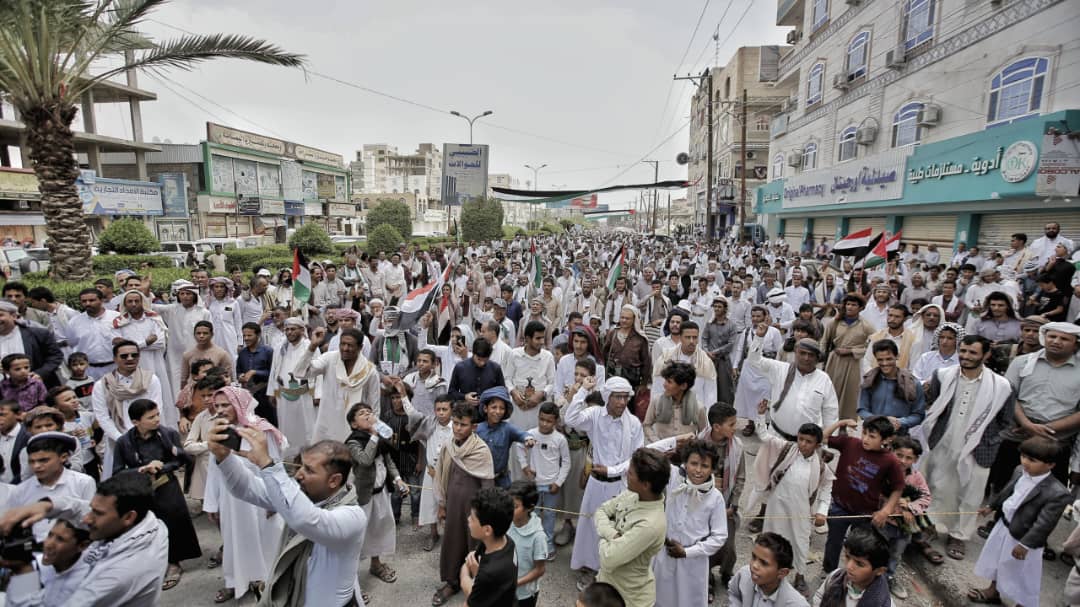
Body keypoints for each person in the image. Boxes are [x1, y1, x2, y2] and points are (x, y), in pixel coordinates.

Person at [208, 422, 368, 606]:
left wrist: (267, 464)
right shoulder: (298, 496)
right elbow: (246, 488)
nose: (299, 474)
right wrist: (224, 458)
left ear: (334, 480)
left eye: (309, 470)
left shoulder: (353, 516)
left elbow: (305, 520)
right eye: (301, 466)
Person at [0, 470, 170, 606]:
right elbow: (82, 508)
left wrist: (23, 572)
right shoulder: (148, 522)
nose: (86, 519)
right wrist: (47, 505)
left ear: (128, 517)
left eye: (97, 514)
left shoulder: (119, 575)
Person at [920, 334, 1013, 562]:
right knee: (937, 485)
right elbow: (931, 402)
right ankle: (931, 524)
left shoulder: (1001, 386)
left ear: (986, 354)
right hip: (944, 440)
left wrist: (991, 441)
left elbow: (1006, 421)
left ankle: (958, 535)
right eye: (963, 351)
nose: (966, 356)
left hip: (978, 448)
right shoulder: (943, 375)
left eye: (972, 352)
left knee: (970, 492)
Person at [202, 385, 285, 603]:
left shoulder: (260, 430)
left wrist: (273, 500)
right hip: (231, 501)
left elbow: (273, 466)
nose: (219, 410)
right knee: (234, 541)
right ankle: (235, 582)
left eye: (225, 405)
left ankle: (266, 583)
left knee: (264, 541)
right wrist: (212, 503)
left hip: (259, 497)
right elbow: (214, 469)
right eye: (216, 405)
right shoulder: (219, 430)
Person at [969, 437, 1071, 607]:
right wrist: (992, 507)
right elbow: (1007, 492)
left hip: (1024, 538)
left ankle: (1023, 603)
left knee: (1024, 574)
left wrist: (1025, 545)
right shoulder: (1019, 471)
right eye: (1023, 456)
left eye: (1032, 460)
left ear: (1050, 465)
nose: (1025, 462)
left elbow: (1044, 524)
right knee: (997, 560)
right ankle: (993, 590)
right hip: (1005, 525)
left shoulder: (1057, 493)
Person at [564, 376, 644, 592]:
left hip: (621, 484)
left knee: (617, 529)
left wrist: (612, 470)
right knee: (592, 527)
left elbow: (636, 457)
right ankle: (591, 569)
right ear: (607, 397)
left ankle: (611, 572)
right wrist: (582, 391)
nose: (622, 402)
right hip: (596, 485)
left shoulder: (634, 423)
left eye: (625, 397)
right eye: (617, 397)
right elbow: (570, 419)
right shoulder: (595, 415)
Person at [113, 399, 201, 591]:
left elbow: (182, 459)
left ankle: (173, 563)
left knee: (174, 522)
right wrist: (141, 470)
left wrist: (163, 467)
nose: (156, 420)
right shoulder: (123, 443)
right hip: (141, 490)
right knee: (146, 527)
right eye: (150, 417)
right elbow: (117, 471)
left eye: (157, 415)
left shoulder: (167, 434)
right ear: (136, 422)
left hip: (166, 484)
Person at [746, 422, 833, 594]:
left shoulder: (821, 467)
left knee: (800, 543)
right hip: (776, 506)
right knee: (771, 539)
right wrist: (761, 415)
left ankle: (799, 576)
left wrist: (822, 512)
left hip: (800, 512)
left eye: (808, 441)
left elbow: (827, 490)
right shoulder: (787, 449)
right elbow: (764, 436)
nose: (803, 444)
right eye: (800, 439)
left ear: (817, 445)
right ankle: (768, 573)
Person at [646, 438, 728, 606]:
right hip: (664, 555)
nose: (698, 470)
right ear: (685, 462)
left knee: (687, 601)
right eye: (693, 463)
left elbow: (719, 536)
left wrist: (687, 552)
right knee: (658, 598)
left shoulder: (715, 498)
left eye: (705, 466)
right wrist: (675, 442)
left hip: (693, 563)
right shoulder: (673, 477)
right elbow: (646, 453)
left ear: (713, 469)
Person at [821, 416, 905, 573]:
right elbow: (822, 438)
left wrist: (886, 510)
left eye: (872, 436)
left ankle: (853, 574)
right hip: (839, 506)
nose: (865, 439)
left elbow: (898, 488)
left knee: (859, 546)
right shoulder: (850, 443)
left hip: (865, 514)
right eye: (864, 433)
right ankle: (828, 572)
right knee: (833, 541)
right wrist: (841, 423)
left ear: (885, 440)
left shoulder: (890, 461)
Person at [432, 402, 495, 606]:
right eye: (455, 423)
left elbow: (487, 485)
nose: (458, 428)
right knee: (452, 542)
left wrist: (483, 514)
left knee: (474, 546)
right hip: (452, 505)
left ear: (474, 427)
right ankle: (452, 582)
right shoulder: (448, 446)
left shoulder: (481, 451)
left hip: (474, 509)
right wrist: (442, 504)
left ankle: (477, 584)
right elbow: (441, 476)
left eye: (463, 424)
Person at [593, 447, 669, 607]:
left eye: (631, 473)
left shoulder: (650, 524)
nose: (626, 473)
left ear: (646, 484)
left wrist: (602, 534)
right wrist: (612, 534)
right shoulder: (633, 494)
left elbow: (608, 558)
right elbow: (601, 511)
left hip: (628, 597)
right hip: (606, 585)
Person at [295, 327, 382, 443]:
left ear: (360, 347)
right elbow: (300, 373)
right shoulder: (329, 358)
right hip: (327, 423)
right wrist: (313, 346)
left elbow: (374, 406)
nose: (345, 349)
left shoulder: (370, 371)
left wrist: (372, 433)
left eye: (350, 345)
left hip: (354, 430)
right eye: (342, 344)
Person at [7, 431, 96, 542]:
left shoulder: (83, 482)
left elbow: (91, 519)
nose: (37, 466)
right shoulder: (20, 490)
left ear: (63, 457)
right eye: (32, 461)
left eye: (44, 460)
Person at [91, 340, 162, 479]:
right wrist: (122, 439)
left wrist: (142, 436)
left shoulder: (151, 380)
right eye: (124, 356)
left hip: (147, 438)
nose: (130, 358)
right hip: (116, 439)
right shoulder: (102, 385)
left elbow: (156, 409)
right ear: (114, 359)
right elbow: (102, 417)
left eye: (134, 355)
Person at [110, 290, 173, 427]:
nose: (133, 304)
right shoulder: (119, 322)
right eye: (130, 301)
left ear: (142, 302)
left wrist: (130, 344)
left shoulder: (154, 318)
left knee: (159, 396)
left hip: (156, 365)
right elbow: (118, 345)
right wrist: (145, 342)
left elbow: (160, 342)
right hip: (130, 369)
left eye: (136, 301)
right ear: (125, 304)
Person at [517, 401, 570, 557]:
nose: (544, 424)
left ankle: (547, 546)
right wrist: (525, 466)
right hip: (534, 485)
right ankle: (532, 545)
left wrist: (558, 482)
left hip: (551, 486)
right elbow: (519, 447)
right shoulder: (531, 434)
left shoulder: (560, 439)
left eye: (549, 421)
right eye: (542, 419)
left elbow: (566, 462)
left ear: (556, 421)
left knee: (549, 516)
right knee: (532, 515)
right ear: (538, 417)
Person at [458, 486, 519, 607]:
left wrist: (465, 571)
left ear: (487, 530)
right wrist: (477, 574)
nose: (468, 519)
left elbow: (469, 594)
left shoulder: (488, 574)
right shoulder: (508, 542)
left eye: (472, 518)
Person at [268, 317, 317, 458]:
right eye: (287, 329)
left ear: (302, 330)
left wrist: (317, 394)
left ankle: (307, 457)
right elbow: (274, 371)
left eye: (293, 329)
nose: (289, 332)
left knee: (306, 427)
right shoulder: (280, 348)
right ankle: (288, 458)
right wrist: (272, 391)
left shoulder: (311, 346)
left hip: (305, 395)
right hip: (284, 396)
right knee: (286, 427)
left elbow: (318, 373)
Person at [821, 294, 876, 420]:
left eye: (854, 305)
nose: (850, 307)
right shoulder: (834, 322)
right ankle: (826, 422)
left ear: (861, 308)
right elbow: (824, 342)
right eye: (848, 304)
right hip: (834, 361)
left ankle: (844, 425)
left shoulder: (866, 325)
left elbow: (874, 346)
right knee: (830, 391)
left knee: (849, 394)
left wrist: (852, 351)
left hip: (853, 364)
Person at [412, 393, 454, 552]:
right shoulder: (429, 425)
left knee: (449, 505)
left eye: (445, 409)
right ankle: (433, 534)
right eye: (438, 409)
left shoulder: (456, 427)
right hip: (431, 473)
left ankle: (450, 537)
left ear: (451, 410)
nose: (441, 412)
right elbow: (412, 414)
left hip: (449, 474)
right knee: (430, 504)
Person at [857, 340, 926, 434]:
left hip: (900, 438)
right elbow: (862, 410)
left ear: (897, 356)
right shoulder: (869, 381)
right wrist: (881, 421)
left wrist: (899, 422)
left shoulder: (912, 383)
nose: (884, 363)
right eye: (880, 360)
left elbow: (918, 415)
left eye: (889, 359)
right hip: (874, 435)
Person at [813, 526, 892, 607]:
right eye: (847, 557)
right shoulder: (835, 577)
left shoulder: (883, 602)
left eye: (859, 564)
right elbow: (819, 598)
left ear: (879, 571)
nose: (849, 566)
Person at [728, 533, 809, 607]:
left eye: (764, 563)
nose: (754, 565)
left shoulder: (796, 604)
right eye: (754, 557)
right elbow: (734, 594)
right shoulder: (744, 574)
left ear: (782, 573)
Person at [475, 386, 534, 488]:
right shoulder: (477, 429)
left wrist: (528, 439)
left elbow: (522, 434)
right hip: (480, 481)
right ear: (485, 408)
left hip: (502, 482)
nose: (498, 412)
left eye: (502, 408)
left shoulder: (507, 428)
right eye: (494, 407)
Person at [0, 300, 63, 387]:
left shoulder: (38, 333)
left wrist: (40, 373)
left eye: (0, 315)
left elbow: (56, 356)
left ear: (13, 316)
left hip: (38, 388)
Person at [642, 361, 707, 443]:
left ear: (683, 386)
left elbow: (703, 434)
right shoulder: (656, 401)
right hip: (662, 452)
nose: (664, 385)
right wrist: (657, 442)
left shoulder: (699, 407)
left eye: (669, 382)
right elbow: (646, 425)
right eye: (665, 380)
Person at [506, 481, 549, 607]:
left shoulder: (538, 536)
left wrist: (516, 583)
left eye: (514, 506)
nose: (508, 509)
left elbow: (540, 569)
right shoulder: (508, 522)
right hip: (504, 588)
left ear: (529, 508)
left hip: (524, 594)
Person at [236, 321, 275, 426]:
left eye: (249, 335)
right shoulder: (242, 353)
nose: (246, 338)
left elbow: (273, 373)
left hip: (265, 394)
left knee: (269, 422)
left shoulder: (268, 351)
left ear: (258, 335)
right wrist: (240, 376)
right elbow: (238, 371)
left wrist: (255, 372)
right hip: (248, 395)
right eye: (244, 335)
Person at [179, 321, 234, 386]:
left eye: (205, 333)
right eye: (198, 333)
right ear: (194, 335)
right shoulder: (187, 355)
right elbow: (183, 380)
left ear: (212, 334)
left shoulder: (222, 354)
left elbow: (229, 378)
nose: (201, 336)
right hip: (194, 393)